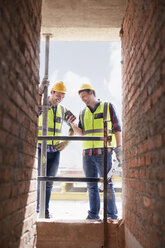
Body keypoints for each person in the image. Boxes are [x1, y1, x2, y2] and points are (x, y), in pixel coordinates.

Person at [68, 83, 122, 220]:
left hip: (104, 152)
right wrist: (72, 124)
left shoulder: (107, 106)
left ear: (92, 92)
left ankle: (111, 215)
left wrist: (119, 148)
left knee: (107, 184)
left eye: (85, 96)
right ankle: (93, 214)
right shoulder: (83, 112)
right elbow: (81, 133)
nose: (83, 99)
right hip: (87, 153)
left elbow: (117, 128)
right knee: (91, 185)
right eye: (81, 98)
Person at [37, 81, 74, 218]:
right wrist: (40, 91)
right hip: (41, 148)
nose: (60, 99)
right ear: (51, 92)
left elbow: (73, 126)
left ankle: (44, 211)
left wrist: (66, 142)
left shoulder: (63, 110)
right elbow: (34, 111)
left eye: (63, 97)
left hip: (55, 151)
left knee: (49, 181)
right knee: (41, 179)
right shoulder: (42, 105)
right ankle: (37, 209)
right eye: (58, 96)